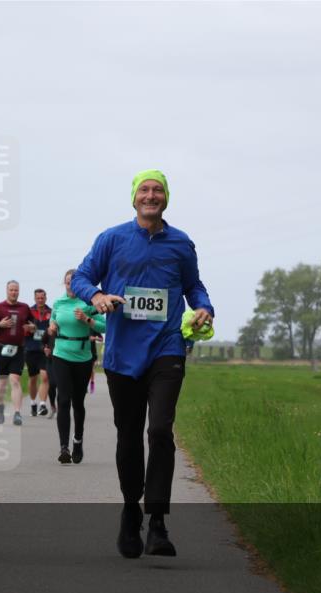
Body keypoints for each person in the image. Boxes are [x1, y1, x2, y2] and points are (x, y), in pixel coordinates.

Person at [71, 169, 214, 559]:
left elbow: (193, 286)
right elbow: (82, 277)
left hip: (167, 348)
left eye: (158, 190)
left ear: (166, 198)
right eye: (144, 190)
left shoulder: (181, 243)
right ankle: (130, 509)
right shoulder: (112, 238)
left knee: (161, 431)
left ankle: (158, 522)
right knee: (129, 436)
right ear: (134, 197)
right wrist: (97, 296)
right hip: (123, 354)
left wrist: (204, 306)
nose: (151, 196)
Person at [47, 269, 105, 465]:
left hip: (82, 357)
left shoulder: (88, 303)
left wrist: (87, 320)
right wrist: (52, 327)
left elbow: (104, 326)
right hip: (61, 353)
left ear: (80, 283)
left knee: (78, 402)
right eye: (67, 282)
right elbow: (53, 321)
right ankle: (64, 447)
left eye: (73, 282)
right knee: (63, 399)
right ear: (64, 284)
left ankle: (77, 441)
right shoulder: (58, 303)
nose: (70, 286)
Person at [0, 281, 35, 426]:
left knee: (15, 380)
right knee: (2, 382)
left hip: (18, 349)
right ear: (7, 290)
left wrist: (32, 326)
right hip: (2, 349)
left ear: (19, 291)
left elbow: (33, 322)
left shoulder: (24, 307)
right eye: (11, 290)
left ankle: (17, 413)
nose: (14, 292)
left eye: (16, 290)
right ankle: (0, 406)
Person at [25, 289, 53, 417]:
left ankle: (42, 404)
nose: (40, 300)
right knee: (33, 379)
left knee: (45, 376)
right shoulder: (28, 312)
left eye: (42, 298)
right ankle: (33, 403)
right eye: (38, 298)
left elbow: (54, 330)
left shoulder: (51, 312)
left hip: (44, 349)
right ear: (34, 298)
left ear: (46, 298)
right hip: (31, 348)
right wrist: (28, 330)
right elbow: (22, 329)